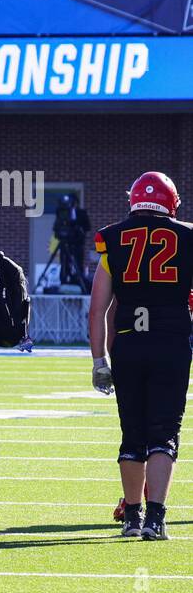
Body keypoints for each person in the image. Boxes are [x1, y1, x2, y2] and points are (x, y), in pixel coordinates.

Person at [90, 172, 193, 541]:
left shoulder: (113, 237)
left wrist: (99, 359)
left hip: (129, 344)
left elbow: (98, 309)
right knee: (164, 434)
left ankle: (132, 516)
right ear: (172, 201)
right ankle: (156, 518)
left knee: (132, 434)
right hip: (171, 343)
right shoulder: (187, 235)